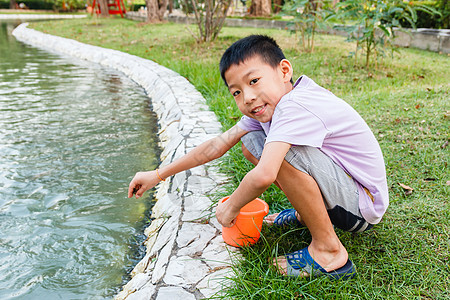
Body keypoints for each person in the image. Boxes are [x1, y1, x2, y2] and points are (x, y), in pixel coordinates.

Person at [128, 35, 389, 279]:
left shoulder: (293, 106)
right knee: (252, 142)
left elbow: (265, 175)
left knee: (279, 156)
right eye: (237, 92)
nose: (248, 97)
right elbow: (216, 145)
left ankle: (329, 251)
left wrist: (231, 207)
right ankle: (305, 214)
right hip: (344, 195)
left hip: (360, 207)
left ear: (284, 71)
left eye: (254, 81)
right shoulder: (274, 106)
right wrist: (158, 175)